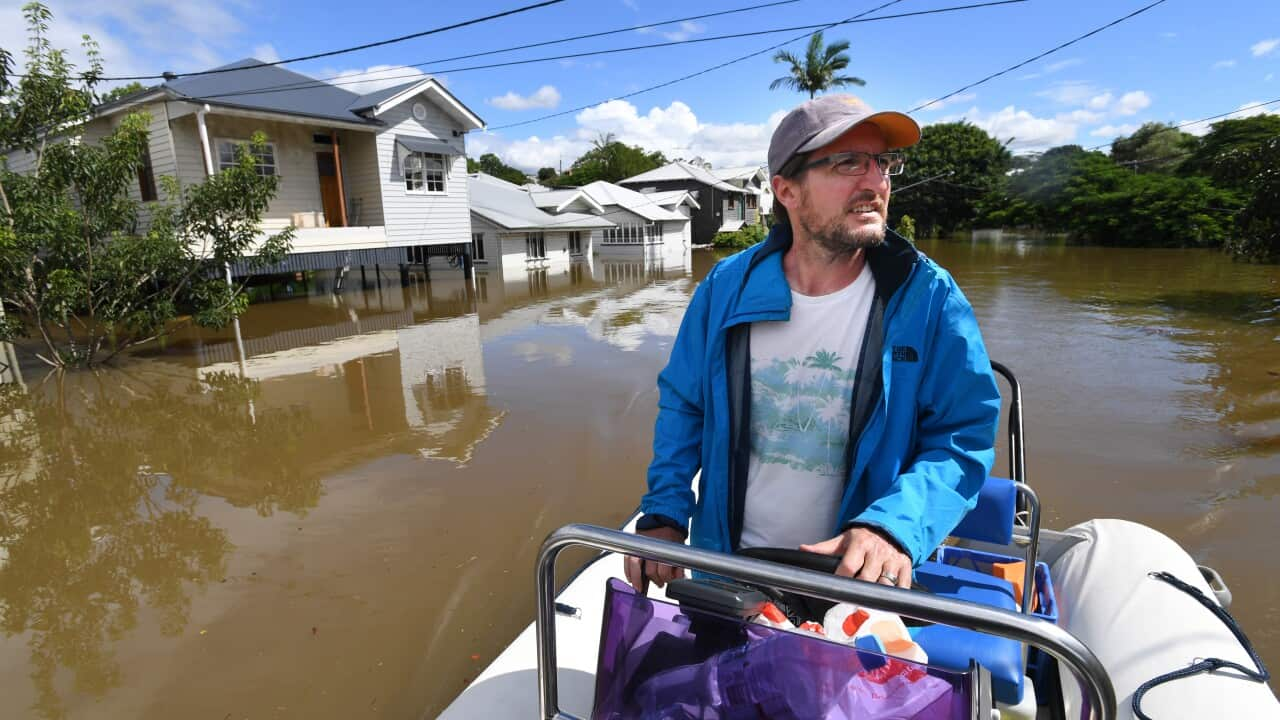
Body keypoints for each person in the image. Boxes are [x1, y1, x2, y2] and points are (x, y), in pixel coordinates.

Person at [624, 95, 1001, 593]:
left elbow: (962, 436)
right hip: (732, 569)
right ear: (787, 191)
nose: (876, 183)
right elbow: (685, 405)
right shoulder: (727, 288)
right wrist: (666, 510)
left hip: (858, 580)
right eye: (849, 163)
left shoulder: (927, 297)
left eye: (883, 163)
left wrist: (893, 527)